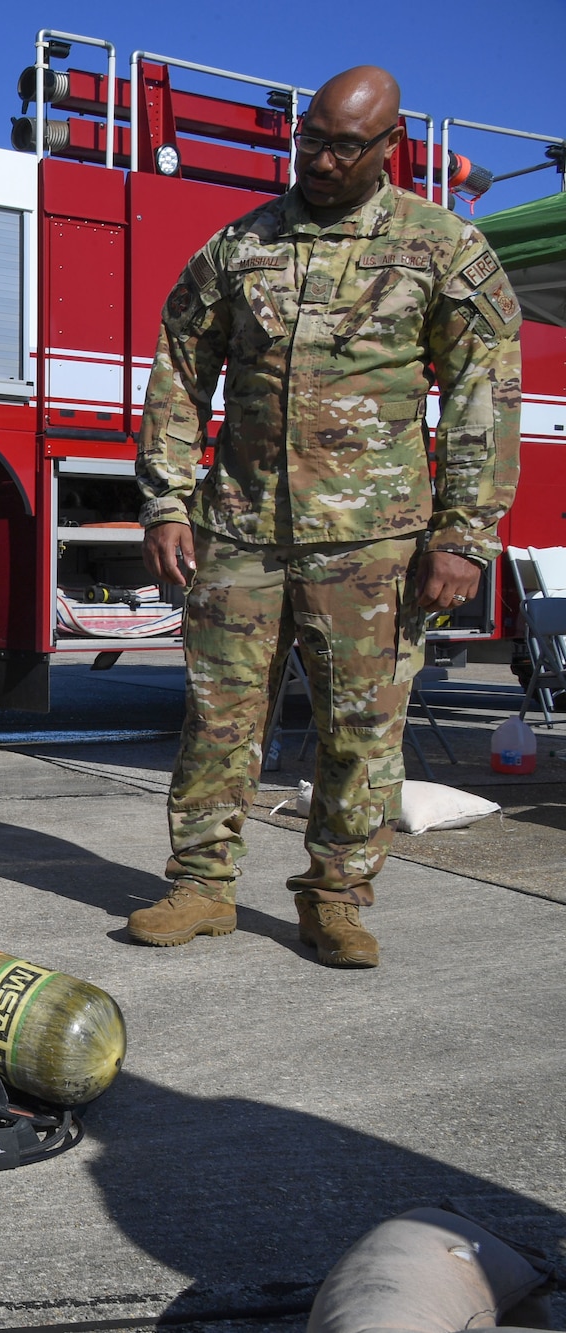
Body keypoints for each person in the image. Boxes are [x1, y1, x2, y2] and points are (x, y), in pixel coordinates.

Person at [131, 65, 521, 967]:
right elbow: (179, 366)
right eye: (311, 139)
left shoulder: (443, 250)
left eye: (345, 146)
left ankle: (337, 896)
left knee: (360, 727)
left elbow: (482, 396)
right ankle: (201, 885)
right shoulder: (242, 245)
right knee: (219, 714)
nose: (322, 159)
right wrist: (165, 500)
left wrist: (464, 534)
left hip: (373, 539)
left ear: (392, 148)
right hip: (240, 528)